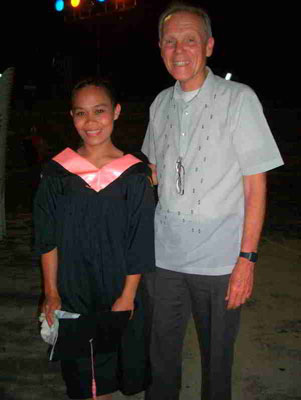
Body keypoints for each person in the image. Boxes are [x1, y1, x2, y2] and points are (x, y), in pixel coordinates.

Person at [142, 2, 284, 400]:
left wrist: (247, 260)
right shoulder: (159, 104)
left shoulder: (238, 100)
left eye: (190, 40)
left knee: (217, 363)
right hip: (163, 260)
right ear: (160, 47)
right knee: (161, 363)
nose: (179, 50)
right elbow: (153, 174)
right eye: (170, 42)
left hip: (220, 263)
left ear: (209, 46)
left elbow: (255, 185)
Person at [34, 78, 156, 400]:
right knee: (83, 381)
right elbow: (47, 238)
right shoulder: (57, 173)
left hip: (120, 288)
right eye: (81, 113)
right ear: (72, 116)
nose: (90, 122)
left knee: (115, 370)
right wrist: (51, 291)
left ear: (116, 112)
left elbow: (140, 239)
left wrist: (128, 295)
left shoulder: (135, 174)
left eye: (99, 111)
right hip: (74, 291)